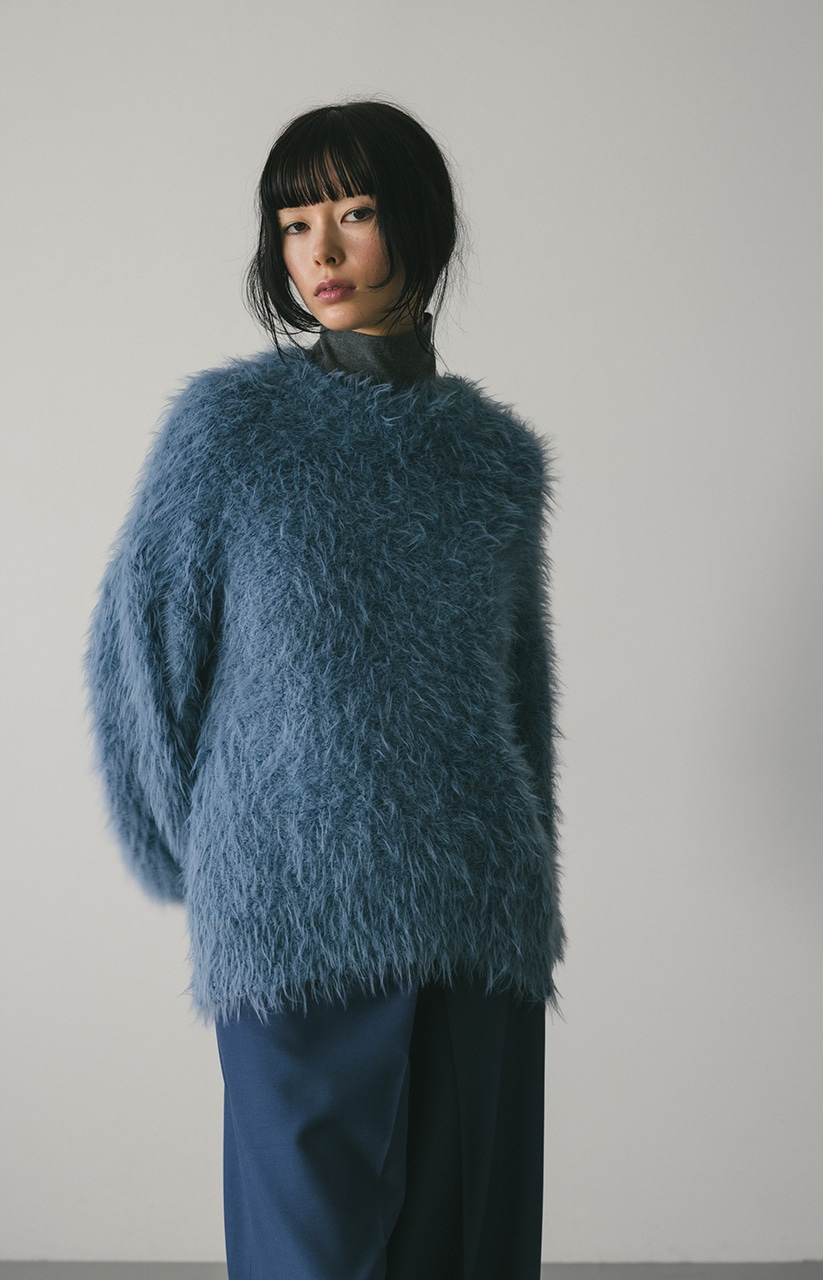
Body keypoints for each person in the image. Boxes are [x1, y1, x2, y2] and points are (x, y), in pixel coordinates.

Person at [86, 100, 564, 1280]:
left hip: (471, 915)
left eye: (354, 213)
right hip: (291, 913)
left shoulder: (494, 457)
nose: (321, 251)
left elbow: (518, 690)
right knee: (309, 1252)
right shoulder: (230, 431)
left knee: (462, 1248)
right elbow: (139, 646)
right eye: (295, 222)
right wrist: (208, 854)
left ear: (418, 225)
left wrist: (526, 872)